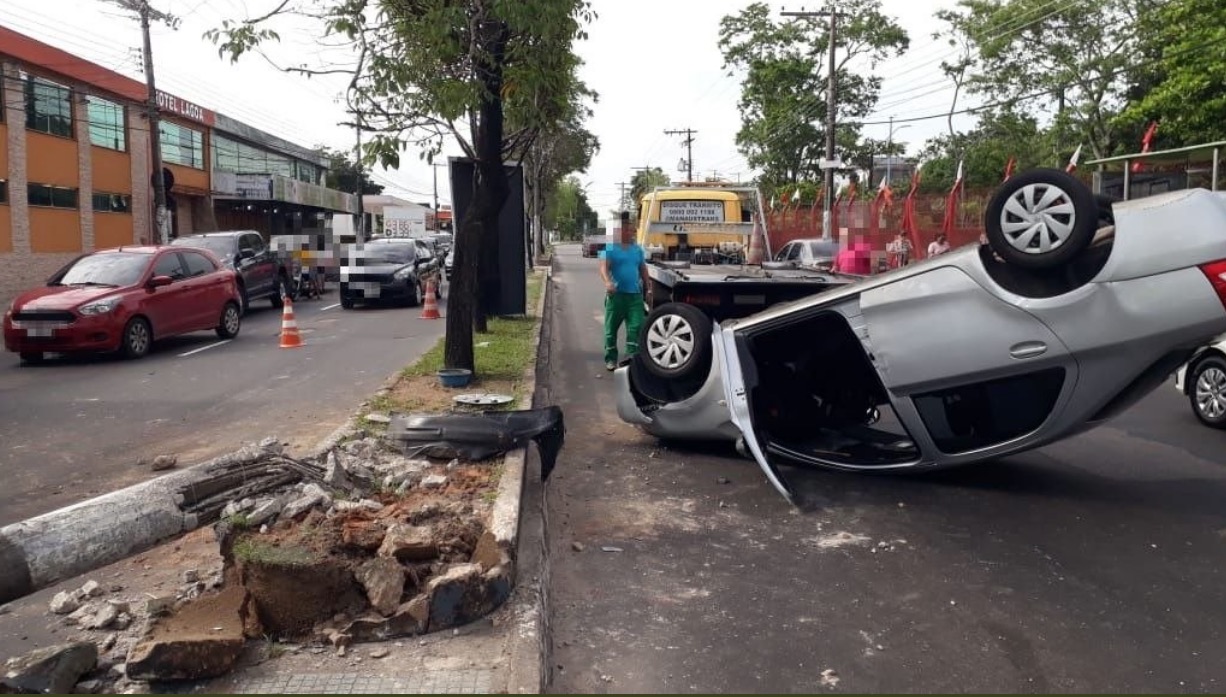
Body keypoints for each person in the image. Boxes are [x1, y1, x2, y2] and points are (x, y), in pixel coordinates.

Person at [599, 212, 652, 371]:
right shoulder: (609, 249)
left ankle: (631, 356)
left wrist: (648, 289)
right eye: (626, 230)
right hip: (616, 297)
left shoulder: (637, 250)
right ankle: (610, 359)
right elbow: (603, 268)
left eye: (631, 230)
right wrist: (608, 282)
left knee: (636, 326)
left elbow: (643, 269)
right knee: (610, 331)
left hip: (634, 297)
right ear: (619, 231)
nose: (630, 233)